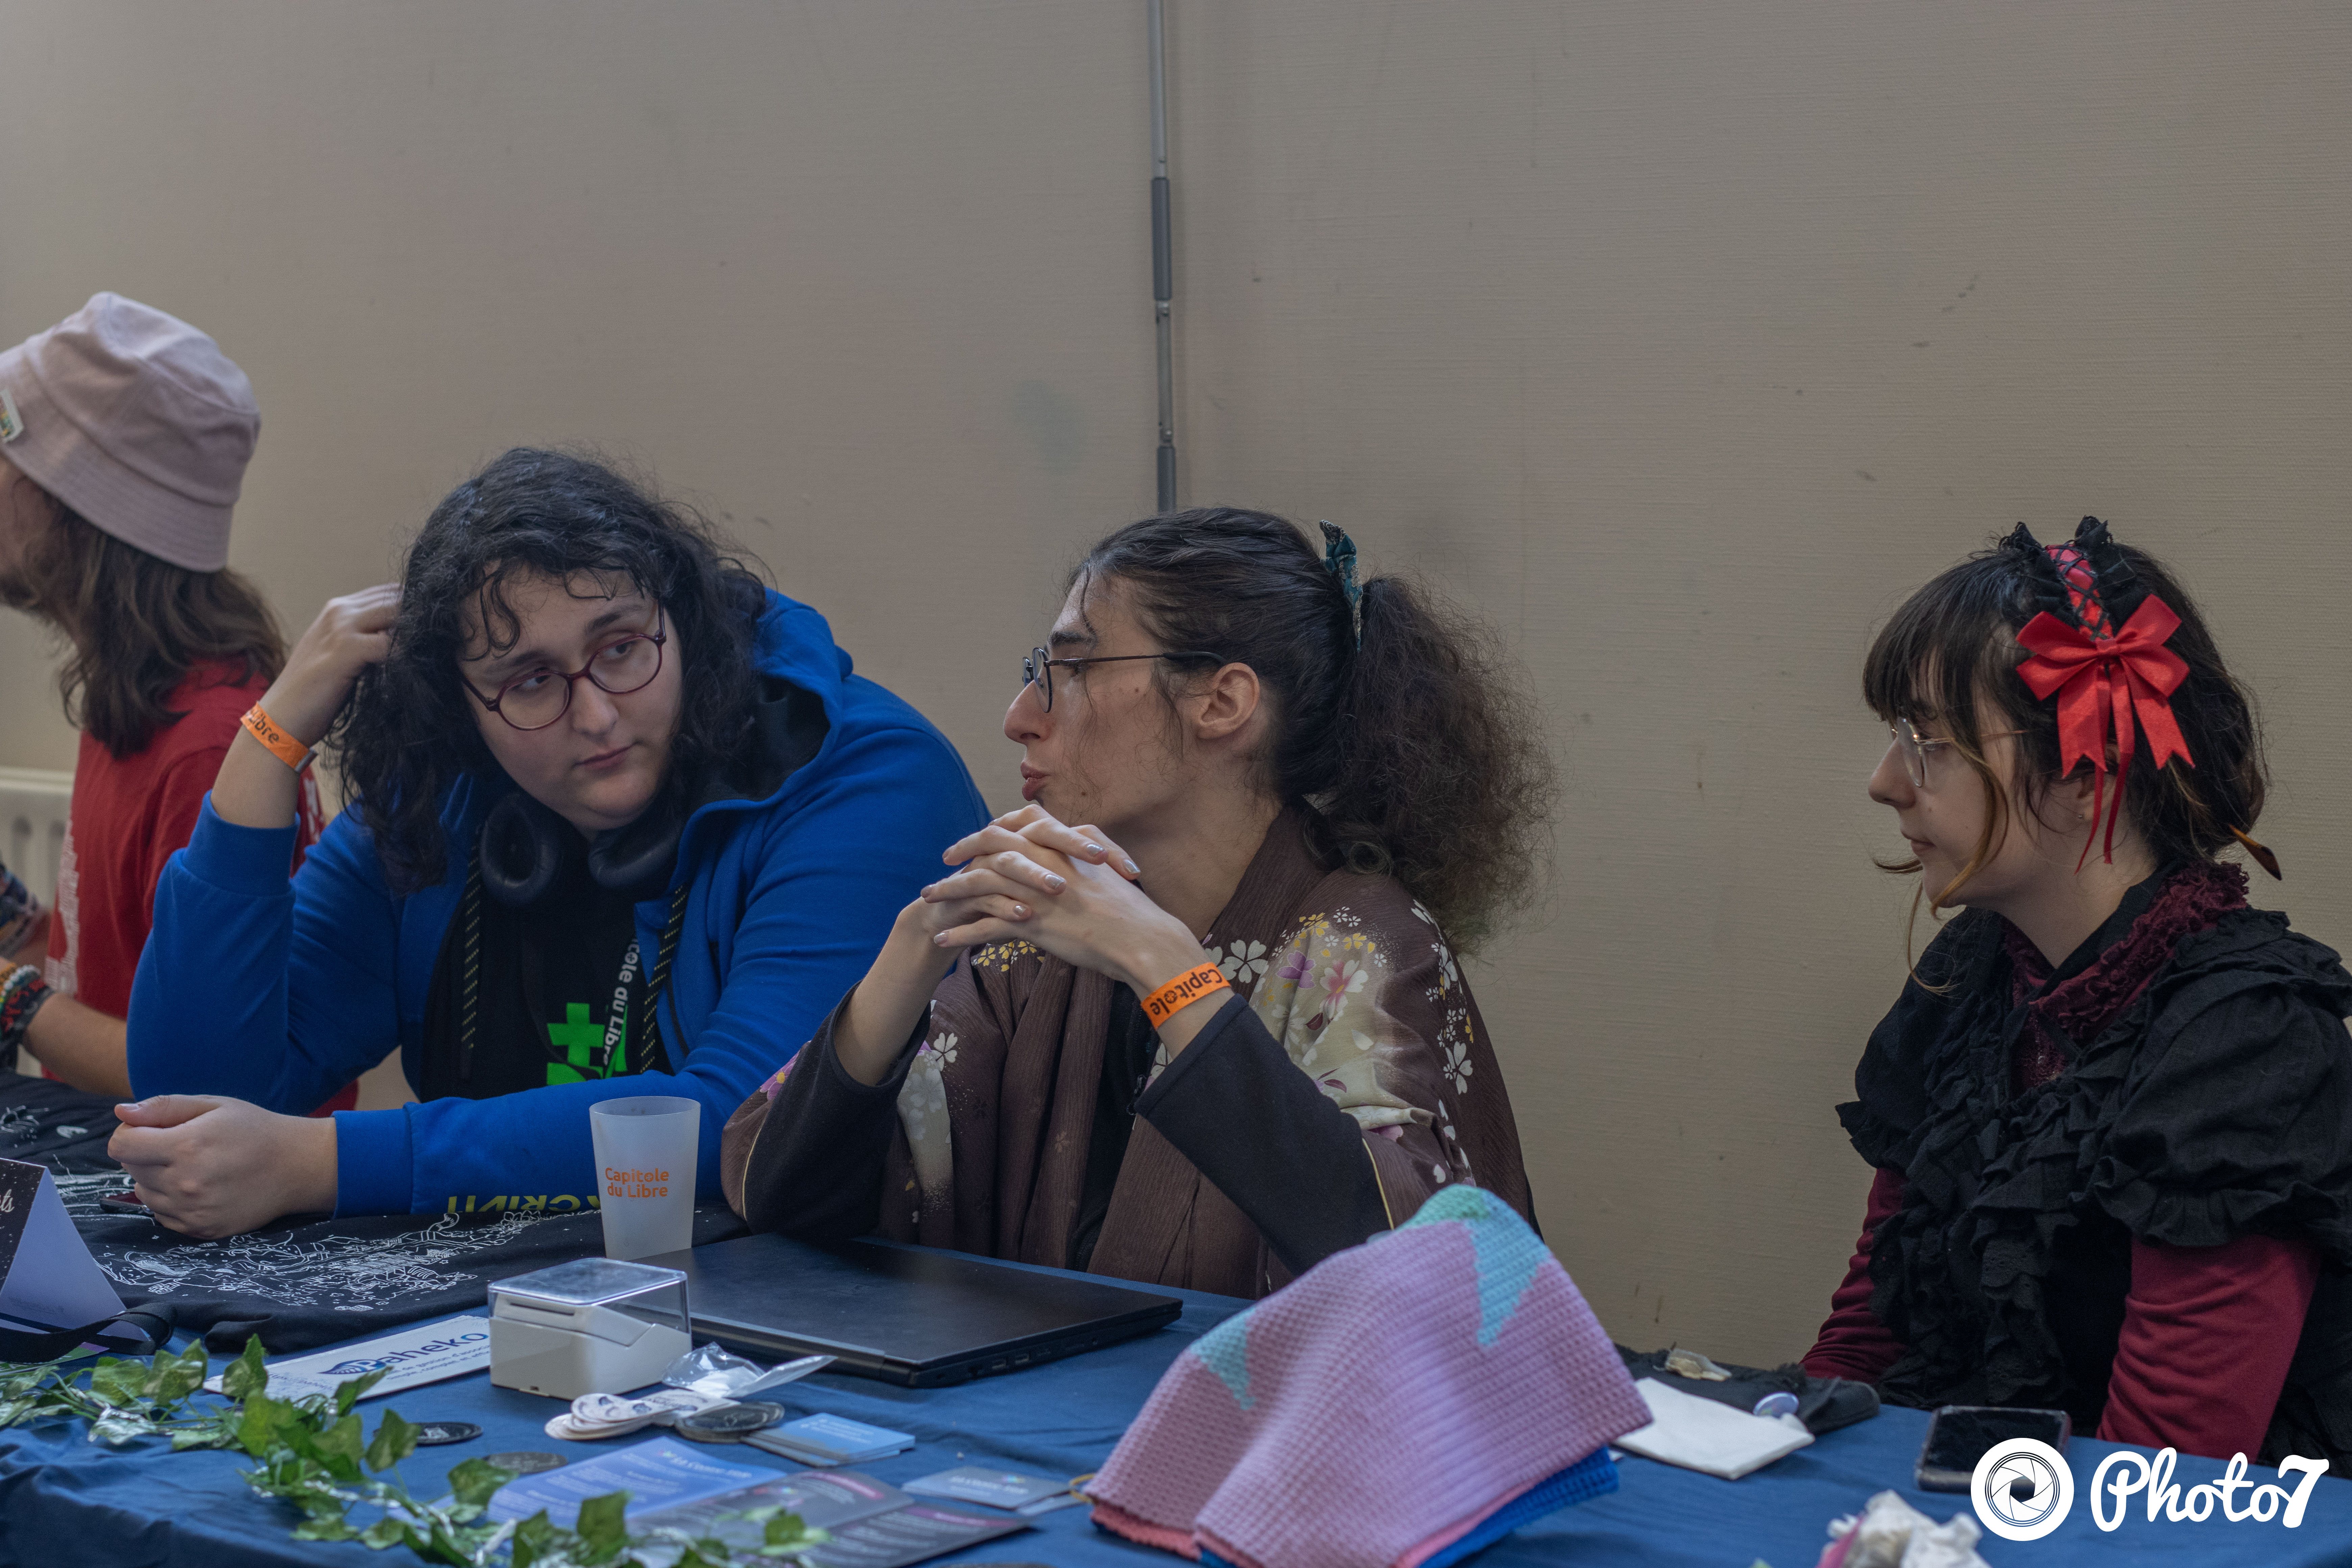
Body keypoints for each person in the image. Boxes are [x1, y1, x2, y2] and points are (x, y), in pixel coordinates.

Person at [110, 447, 988, 1238]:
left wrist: (321, 1163)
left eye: (623, 648)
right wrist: (267, 742)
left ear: (682, 620)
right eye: (530, 680)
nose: (597, 714)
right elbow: (191, 1107)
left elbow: (745, 1122)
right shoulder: (445, 794)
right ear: (458, 707)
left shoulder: (868, 780)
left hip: (851, 1310)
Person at [722, 508, 1550, 1298]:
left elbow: (1416, 1273)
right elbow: (783, 1203)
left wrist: (1163, 967)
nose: (1020, 718)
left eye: (1072, 670)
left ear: (1222, 703)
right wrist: (913, 949)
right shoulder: (1037, 943)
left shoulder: (1362, 943)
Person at [1802, 518, 2352, 1465]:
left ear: (2088, 771)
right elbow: (1866, 1341)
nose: (1885, 781)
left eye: (1927, 739)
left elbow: (2162, 1474)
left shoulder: (2247, 1040)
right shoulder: (1971, 973)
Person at [0, 293, 326, 1101]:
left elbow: (202, 1089)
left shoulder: (212, 750)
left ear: (78, 508)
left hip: (186, 1175)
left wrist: (10, 996)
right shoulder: (138, 691)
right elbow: (105, 979)